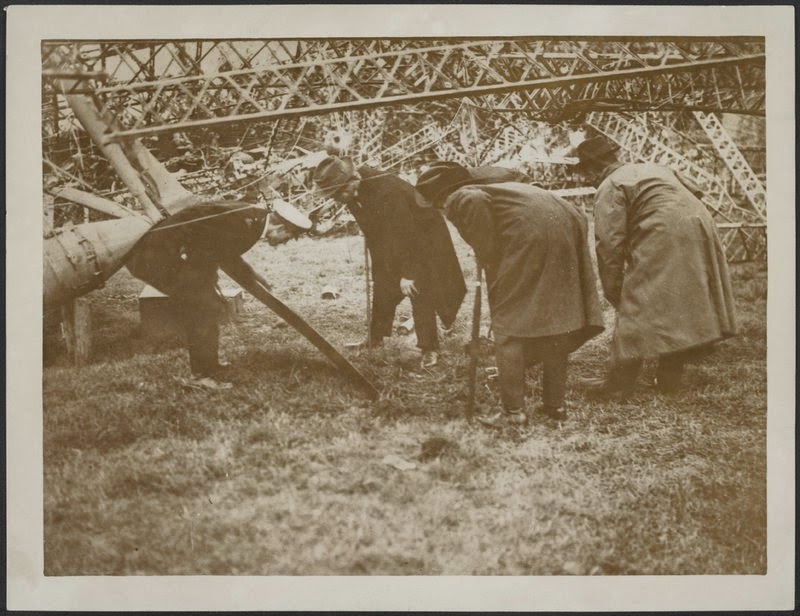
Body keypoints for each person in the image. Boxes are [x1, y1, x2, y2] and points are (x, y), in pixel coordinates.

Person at [415, 163, 604, 426]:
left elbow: (478, 216)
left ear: (441, 197)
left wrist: (486, 255)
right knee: (555, 324)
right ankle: (555, 406)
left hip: (530, 240)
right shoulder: (502, 185)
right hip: (565, 228)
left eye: (438, 206)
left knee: (508, 328)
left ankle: (514, 413)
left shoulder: (463, 195)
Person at [572, 136, 737, 396]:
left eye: (586, 174)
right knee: (680, 303)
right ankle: (669, 380)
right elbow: (696, 190)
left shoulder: (610, 184)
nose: (588, 180)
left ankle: (619, 385)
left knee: (636, 302)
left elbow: (608, 244)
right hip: (699, 224)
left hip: (665, 231)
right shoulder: (654, 168)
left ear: (593, 168)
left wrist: (615, 290)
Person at [312, 156, 466, 369]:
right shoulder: (352, 191)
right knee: (382, 284)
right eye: (334, 194)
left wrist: (408, 273)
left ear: (353, 179)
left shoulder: (386, 191)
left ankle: (429, 348)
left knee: (418, 289)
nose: (338, 198)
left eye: (340, 192)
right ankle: (375, 340)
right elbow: (375, 226)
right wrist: (380, 259)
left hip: (424, 238)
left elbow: (407, 232)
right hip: (392, 239)